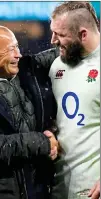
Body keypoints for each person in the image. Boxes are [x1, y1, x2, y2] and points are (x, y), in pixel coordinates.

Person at [0, 24, 59, 199]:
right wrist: (43, 142)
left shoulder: (27, 69)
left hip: (38, 190)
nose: (18, 54)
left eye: (17, 46)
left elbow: (64, 51)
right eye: (11, 49)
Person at [48, 1, 100, 199]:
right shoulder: (57, 65)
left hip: (92, 188)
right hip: (58, 186)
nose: (53, 40)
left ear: (83, 34)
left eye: (60, 35)